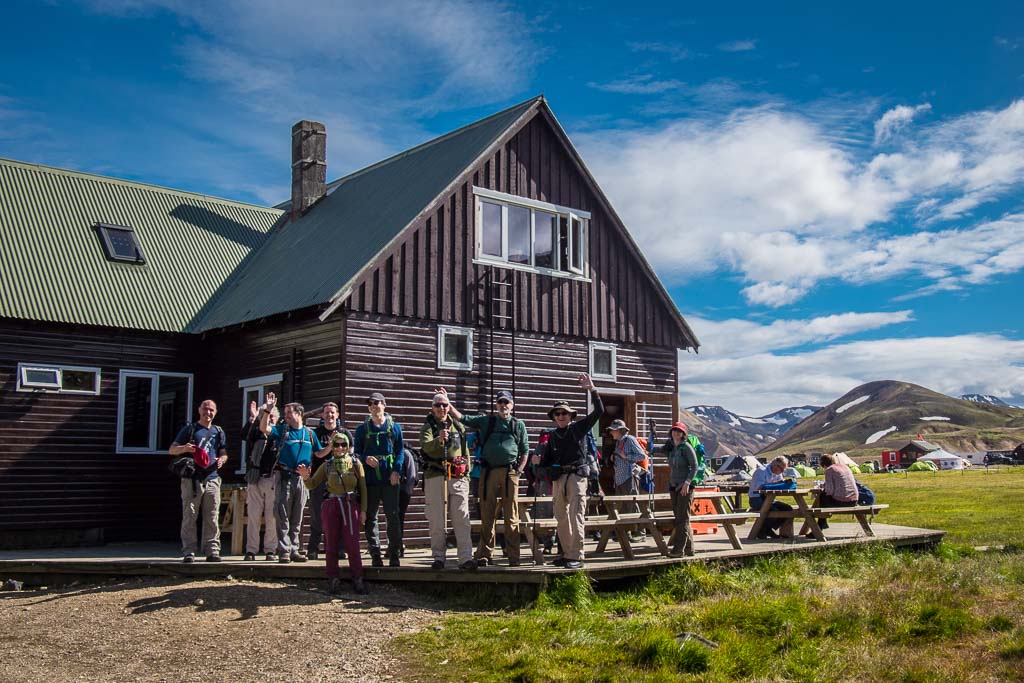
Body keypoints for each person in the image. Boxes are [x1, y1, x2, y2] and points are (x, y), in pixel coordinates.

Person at [447, 389, 529, 567]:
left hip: (510, 473)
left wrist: (519, 470)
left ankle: (513, 556)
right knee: (487, 513)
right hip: (488, 471)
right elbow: (463, 418)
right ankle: (485, 554)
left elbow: (525, 450)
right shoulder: (487, 421)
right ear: (496, 404)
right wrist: (447, 402)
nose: (503, 405)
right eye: (500, 402)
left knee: (511, 516)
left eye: (506, 402)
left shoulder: (518, 424)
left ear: (512, 405)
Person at [531, 374, 604, 570]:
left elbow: (599, 411)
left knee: (575, 515)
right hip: (559, 479)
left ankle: (577, 556)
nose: (561, 416)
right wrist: (537, 462)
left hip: (577, 476)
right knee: (561, 516)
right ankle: (566, 553)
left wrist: (592, 389)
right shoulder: (553, 436)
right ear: (554, 417)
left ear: (571, 415)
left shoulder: (578, 428)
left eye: (564, 413)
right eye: (557, 414)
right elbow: (546, 463)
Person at [297, 433, 369, 594]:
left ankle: (358, 578)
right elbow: (313, 484)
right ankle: (333, 579)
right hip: (331, 505)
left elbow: (363, 488)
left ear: (348, 445)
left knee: (353, 543)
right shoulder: (327, 465)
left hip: (350, 505)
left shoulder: (356, 463)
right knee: (331, 543)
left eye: (343, 445)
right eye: (336, 445)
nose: (340, 448)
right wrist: (305, 478)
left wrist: (363, 510)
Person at [259, 393, 325, 563]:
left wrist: (332, 445)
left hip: (302, 480)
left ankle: (295, 549)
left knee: (297, 517)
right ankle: (284, 552)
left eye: (289, 412)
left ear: (299, 414)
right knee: (282, 515)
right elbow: (264, 429)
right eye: (285, 412)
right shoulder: (282, 431)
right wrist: (267, 410)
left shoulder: (310, 434)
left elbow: (319, 453)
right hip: (284, 476)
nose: (286, 416)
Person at [419, 392, 475, 570]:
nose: (442, 408)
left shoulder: (458, 426)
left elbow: (465, 451)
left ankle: (465, 558)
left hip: (457, 477)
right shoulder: (428, 427)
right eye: (438, 405)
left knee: (461, 518)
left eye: (445, 405)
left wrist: (467, 472)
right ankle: (438, 558)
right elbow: (426, 447)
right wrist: (439, 440)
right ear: (432, 408)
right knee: (436, 520)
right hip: (435, 476)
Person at [169, 399, 229, 563]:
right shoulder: (190, 429)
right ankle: (189, 551)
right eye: (205, 409)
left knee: (212, 515)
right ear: (199, 410)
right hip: (192, 478)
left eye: (211, 410)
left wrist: (222, 459)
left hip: (212, 477)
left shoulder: (218, 431)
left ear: (215, 412)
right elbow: (172, 450)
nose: (208, 412)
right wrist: (185, 448)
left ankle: (212, 551)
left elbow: (223, 452)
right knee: (190, 514)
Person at [353, 392, 405, 568]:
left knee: (393, 517)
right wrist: (366, 458)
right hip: (370, 481)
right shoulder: (362, 429)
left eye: (377, 403)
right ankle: (375, 554)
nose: (374, 406)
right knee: (371, 518)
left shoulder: (395, 428)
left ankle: (394, 553)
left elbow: (400, 451)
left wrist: (396, 471)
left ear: (385, 405)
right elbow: (356, 453)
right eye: (371, 404)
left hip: (390, 479)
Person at [310, 402, 355, 560]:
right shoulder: (316, 433)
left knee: (339, 513)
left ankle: (339, 548)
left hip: (339, 479)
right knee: (317, 513)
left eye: (332, 413)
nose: (330, 415)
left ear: (338, 415)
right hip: (320, 477)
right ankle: (313, 548)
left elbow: (350, 455)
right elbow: (318, 455)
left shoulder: (345, 433)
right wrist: (331, 444)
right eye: (327, 413)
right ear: (322, 415)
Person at [240, 401, 280, 561]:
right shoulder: (254, 432)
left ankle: (270, 550)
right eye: (265, 415)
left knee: (272, 517)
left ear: (276, 418)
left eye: (270, 416)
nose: (268, 419)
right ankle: (251, 550)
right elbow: (244, 435)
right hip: (255, 478)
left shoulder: (278, 433)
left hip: (272, 478)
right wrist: (254, 417)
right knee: (253, 516)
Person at [661, 422, 699, 557]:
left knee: (681, 519)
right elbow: (653, 450)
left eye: (679, 431)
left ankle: (678, 550)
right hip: (673, 486)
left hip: (685, 488)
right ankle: (690, 549)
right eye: (674, 430)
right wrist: (648, 440)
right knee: (681, 518)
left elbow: (695, 466)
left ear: (683, 434)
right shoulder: (672, 448)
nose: (676, 433)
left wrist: (687, 483)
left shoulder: (686, 447)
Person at [607, 418, 647, 541]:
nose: (611, 433)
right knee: (622, 505)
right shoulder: (619, 442)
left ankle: (640, 532)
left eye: (613, 431)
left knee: (632, 504)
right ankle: (626, 531)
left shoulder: (630, 440)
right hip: (619, 478)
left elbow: (642, 455)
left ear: (619, 431)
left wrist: (626, 456)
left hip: (629, 476)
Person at [748, 455, 792, 539]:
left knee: (787, 509)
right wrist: (775, 483)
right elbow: (759, 488)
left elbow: (779, 483)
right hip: (756, 499)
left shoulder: (778, 473)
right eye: (782, 469)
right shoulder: (761, 471)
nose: (782, 472)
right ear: (775, 466)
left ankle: (767, 529)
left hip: (770, 499)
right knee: (773, 510)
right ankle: (762, 531)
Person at [814, 453, 858, 530]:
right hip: (854, 500)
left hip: (842, 501)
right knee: (824, 498)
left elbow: (829, 491)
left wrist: (822, 489)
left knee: (823, 496)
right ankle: (822, 524)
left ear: (823, 464)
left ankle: (820, 525)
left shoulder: (829, 470)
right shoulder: (845, 467)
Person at [397, 446, 418, 558]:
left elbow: (412, 474)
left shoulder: (405, 453)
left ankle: (398, 546)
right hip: (395, 490)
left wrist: (408, 491)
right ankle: (396, 545)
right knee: (395, 518)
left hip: (403, 491)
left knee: (398, 518)